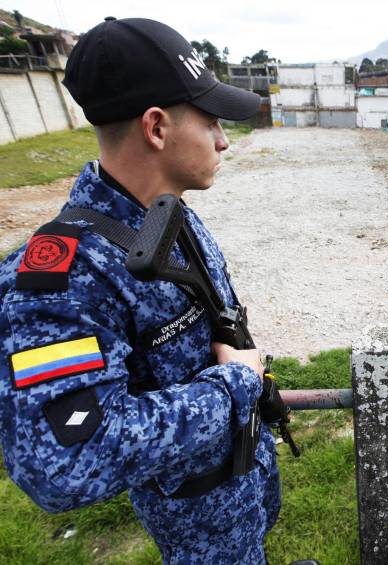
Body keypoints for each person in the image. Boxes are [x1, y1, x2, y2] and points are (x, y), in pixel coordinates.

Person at [0, 17, 280, 564]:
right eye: (212, 121)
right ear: (156, 128)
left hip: (241, 483)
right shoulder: (59, 280)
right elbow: (66, 463)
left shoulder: (170, 217)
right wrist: (233, 388)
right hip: (199, 527)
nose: (224, 140)